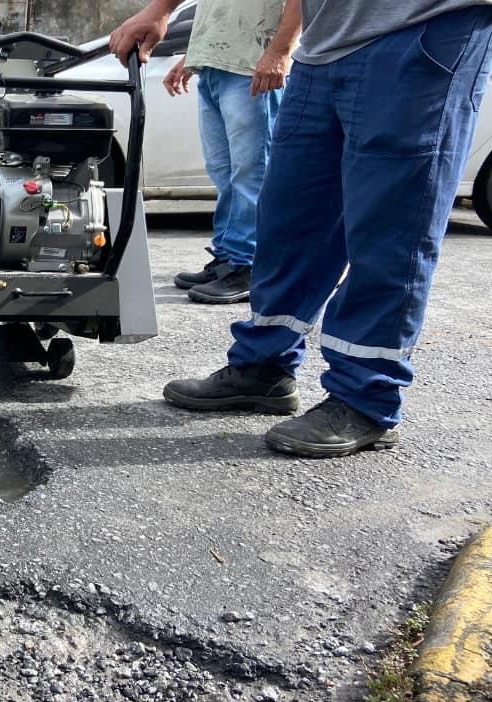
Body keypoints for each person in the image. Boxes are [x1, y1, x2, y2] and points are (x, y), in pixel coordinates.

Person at [111, 0, 492, 458]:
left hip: (421, 29)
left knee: (390, 228)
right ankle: (265, 367)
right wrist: (161, 8)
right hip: (322, 44)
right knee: (289, 222)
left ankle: (366, 397)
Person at [165, 0, 300, 304]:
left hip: (253, 66)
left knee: (252, 174)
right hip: (216, 67)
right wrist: (195, 55)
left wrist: (280, 52)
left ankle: (251, 266)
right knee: (223, 173)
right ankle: (227, 259)